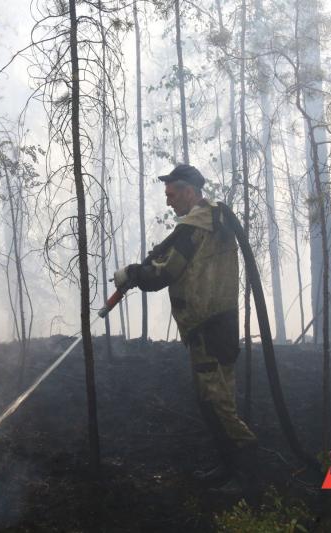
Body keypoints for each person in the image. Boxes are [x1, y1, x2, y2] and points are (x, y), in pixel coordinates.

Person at [114, 164, 257, 491]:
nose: (168, 202)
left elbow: (165, 274)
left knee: (216, 402)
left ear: (190, 191)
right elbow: (173, 258)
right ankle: (229, 468)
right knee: (216, 400)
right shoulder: (211, 220)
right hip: (219, 322)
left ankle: (245, 476)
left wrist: (133, 275)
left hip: (207, 326)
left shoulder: (195, 228)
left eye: (172, 194)